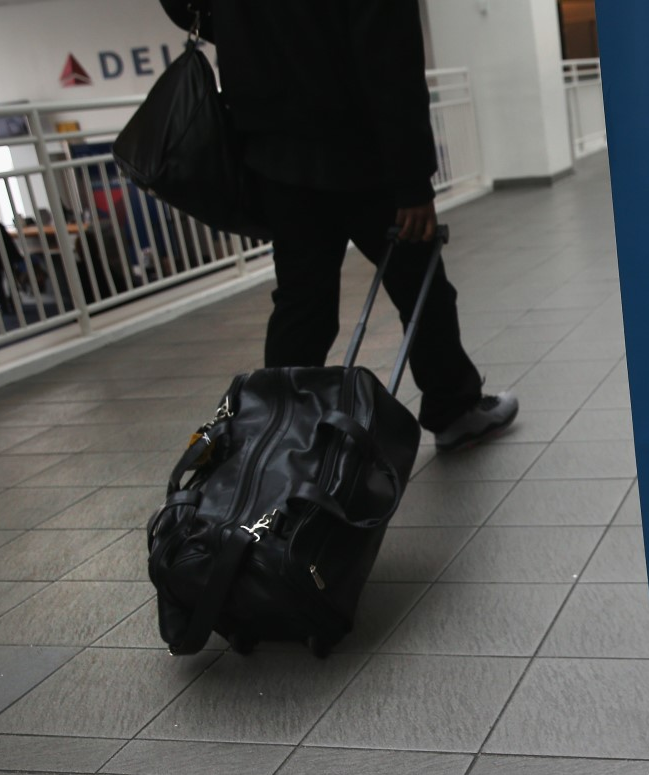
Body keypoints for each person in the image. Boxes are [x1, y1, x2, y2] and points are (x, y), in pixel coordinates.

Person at [159, 0, 517, 450]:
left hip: (275, 153)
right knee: (420, 286)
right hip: (362, 151)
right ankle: (454, 409)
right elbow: (391, 54)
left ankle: (278, 437)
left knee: (302, 304)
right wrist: (411, 181)